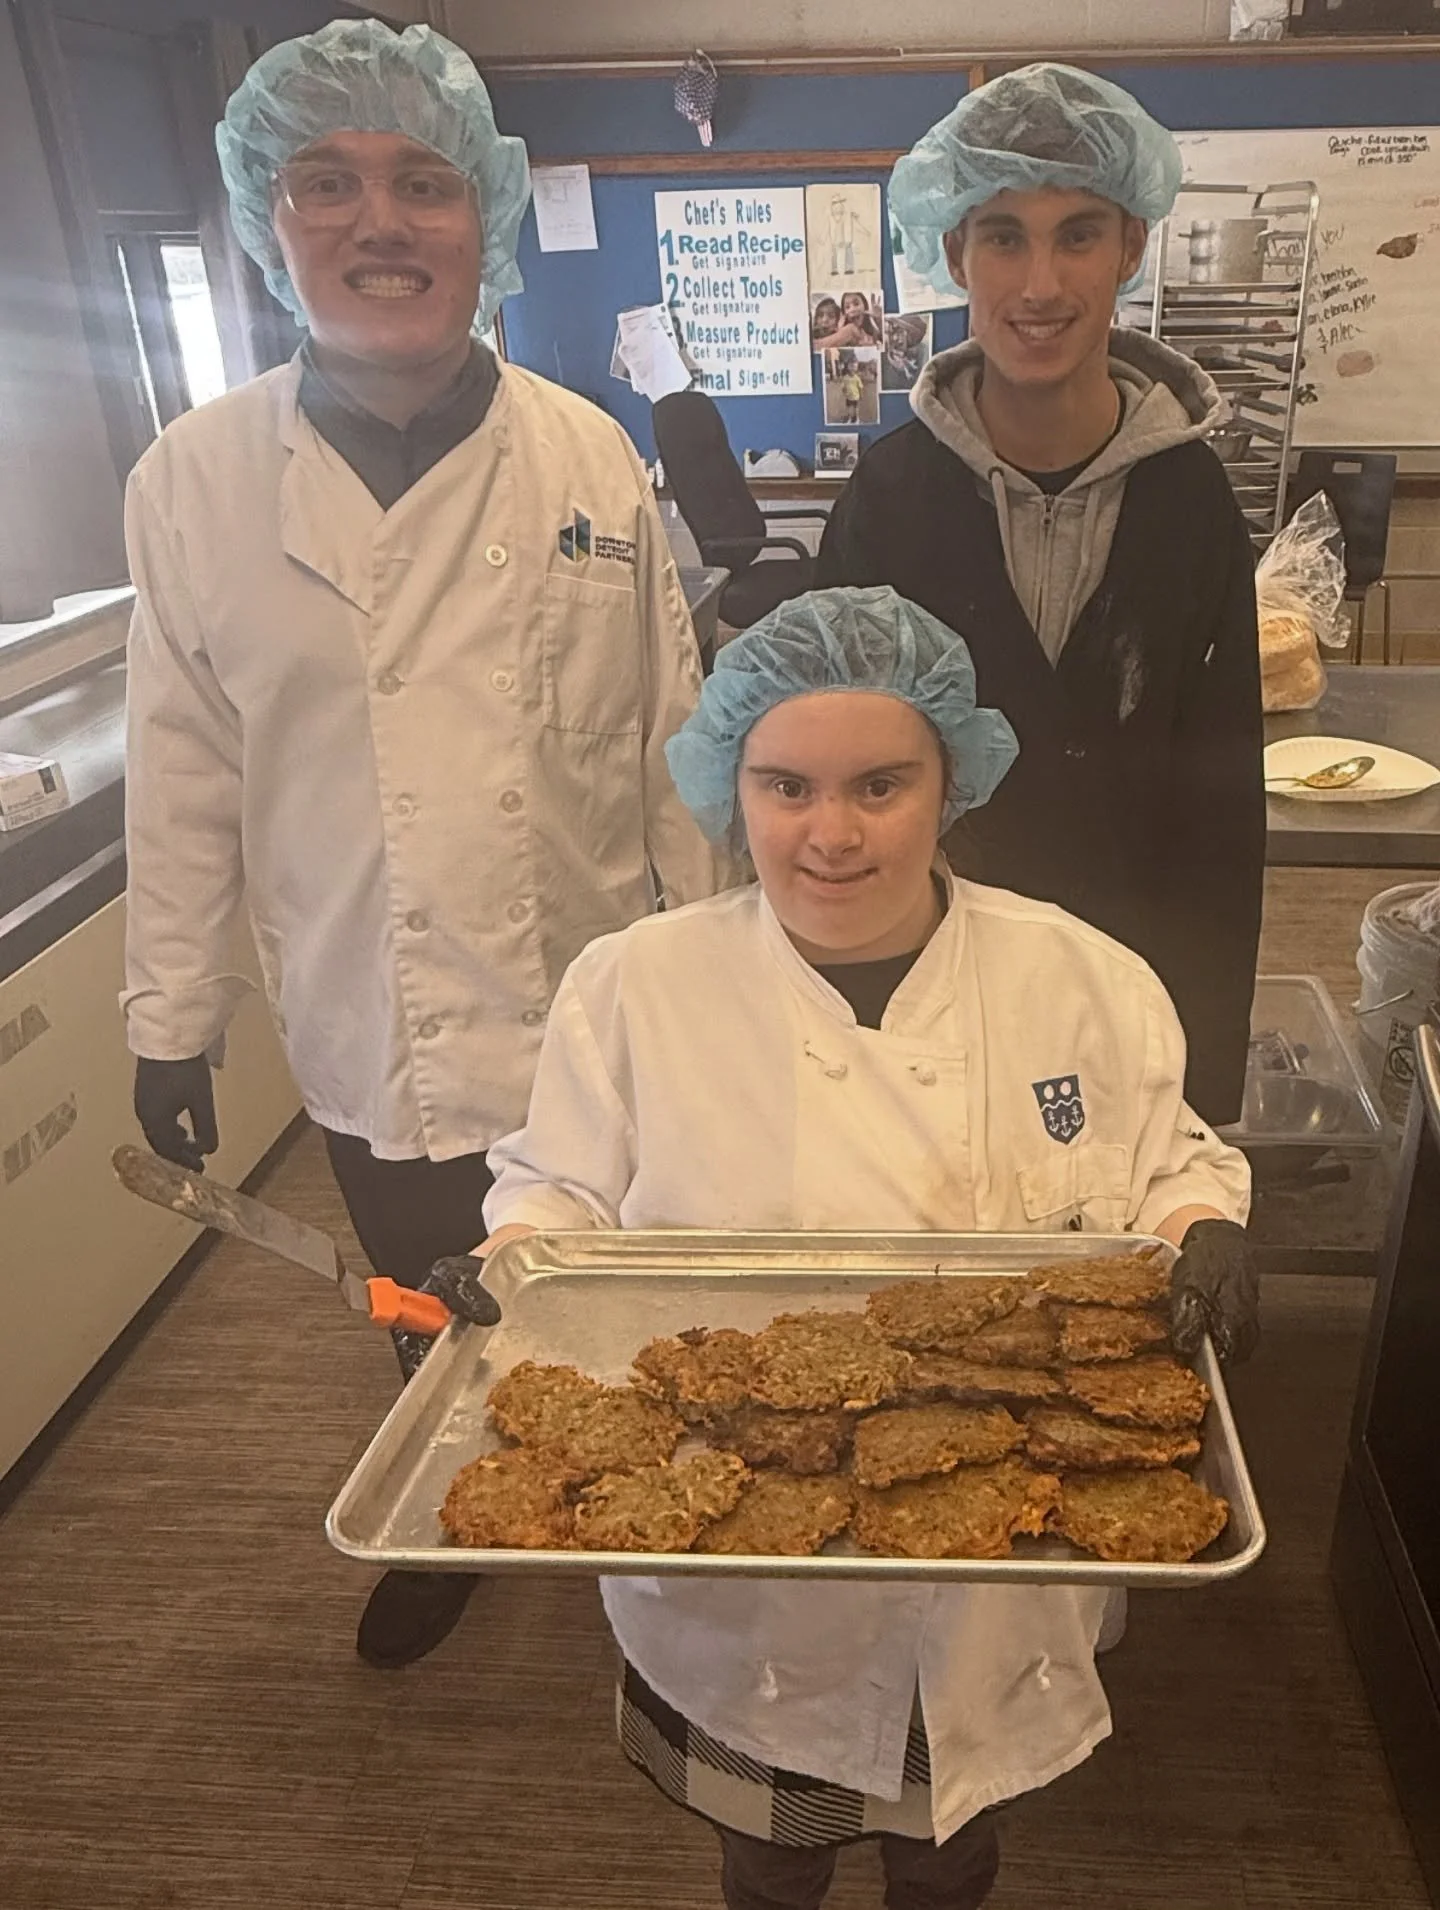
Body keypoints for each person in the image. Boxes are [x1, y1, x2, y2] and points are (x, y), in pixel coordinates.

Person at [474, 586, 1258, 1910]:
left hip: (998, 1573)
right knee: (767, 1850)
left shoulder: (1080, 977)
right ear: (730, 786)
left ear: (953, 784)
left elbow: (1163, 1162)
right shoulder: (636, 985)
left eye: (879, 785)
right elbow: (555, 1195)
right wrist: (501, 1268)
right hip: (740, 1578)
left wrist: (1204, 1225)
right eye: (785, 786)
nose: (829, 834)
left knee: (952, 1843)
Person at [121, 20, 719, 1670]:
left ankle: (644, 1527)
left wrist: (728, 976)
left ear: (486, 217)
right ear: (271, 220)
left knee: (608, 1296)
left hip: (590, 1006)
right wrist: (171, 1015)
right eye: (329, 184)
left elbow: (674, 751)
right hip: (369, 1014)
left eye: (422, 183)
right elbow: (181, 770)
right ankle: (465, 1500)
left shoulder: (588, 454)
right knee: (414, 1300)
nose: (379, 221)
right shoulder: (193, 483)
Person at [817, 64, 1265, 1127]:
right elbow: (834, 783)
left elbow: (1220, 813)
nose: (1040, 284)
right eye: (1005, 236)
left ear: (1131, 248)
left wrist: (1200, 1084)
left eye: (1079, 235)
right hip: (924, 1003)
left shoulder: (1190, 503)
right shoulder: (888, 502)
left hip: (1129, 994)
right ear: (955, 254)